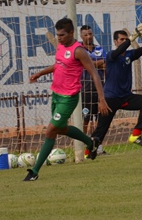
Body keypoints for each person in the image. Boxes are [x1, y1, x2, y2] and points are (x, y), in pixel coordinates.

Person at [24, 18, 110, 181]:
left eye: (62, 35)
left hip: (68, 98)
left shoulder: (79, 51)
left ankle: (34, 171)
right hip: (56, 94)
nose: (59, 38)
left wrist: (101, 98)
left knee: (50, 131)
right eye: (57, 35)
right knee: (61, 129)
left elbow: (94, 73)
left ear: (71, 33)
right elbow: (57, 65)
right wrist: (40, 73)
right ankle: (91, 143)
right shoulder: (61, 47)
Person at [90, 27, 142, 150]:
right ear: (115, 41)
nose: (124, 41)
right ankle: (89, 152)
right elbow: (120, 50)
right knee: (101, 129)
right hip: (110, 99)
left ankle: (135, 135)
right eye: (121, 39)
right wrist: (131, 39)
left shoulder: (130, 55)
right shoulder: (111, 55)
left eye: (125, 39)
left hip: (125, 97)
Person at [80, 24, 107, 155]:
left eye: (90, 34)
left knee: (99, 120)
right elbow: (83, 65)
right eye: (85, 34)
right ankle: (81, 146)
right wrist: (98, 63)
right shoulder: (79, 50)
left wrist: (91, 64)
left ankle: (98, 147)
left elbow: (106, 65)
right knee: (85, 119)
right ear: (81, 36)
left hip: (100, 89)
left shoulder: (100, 49)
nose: (88, 36)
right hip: (85, 90)